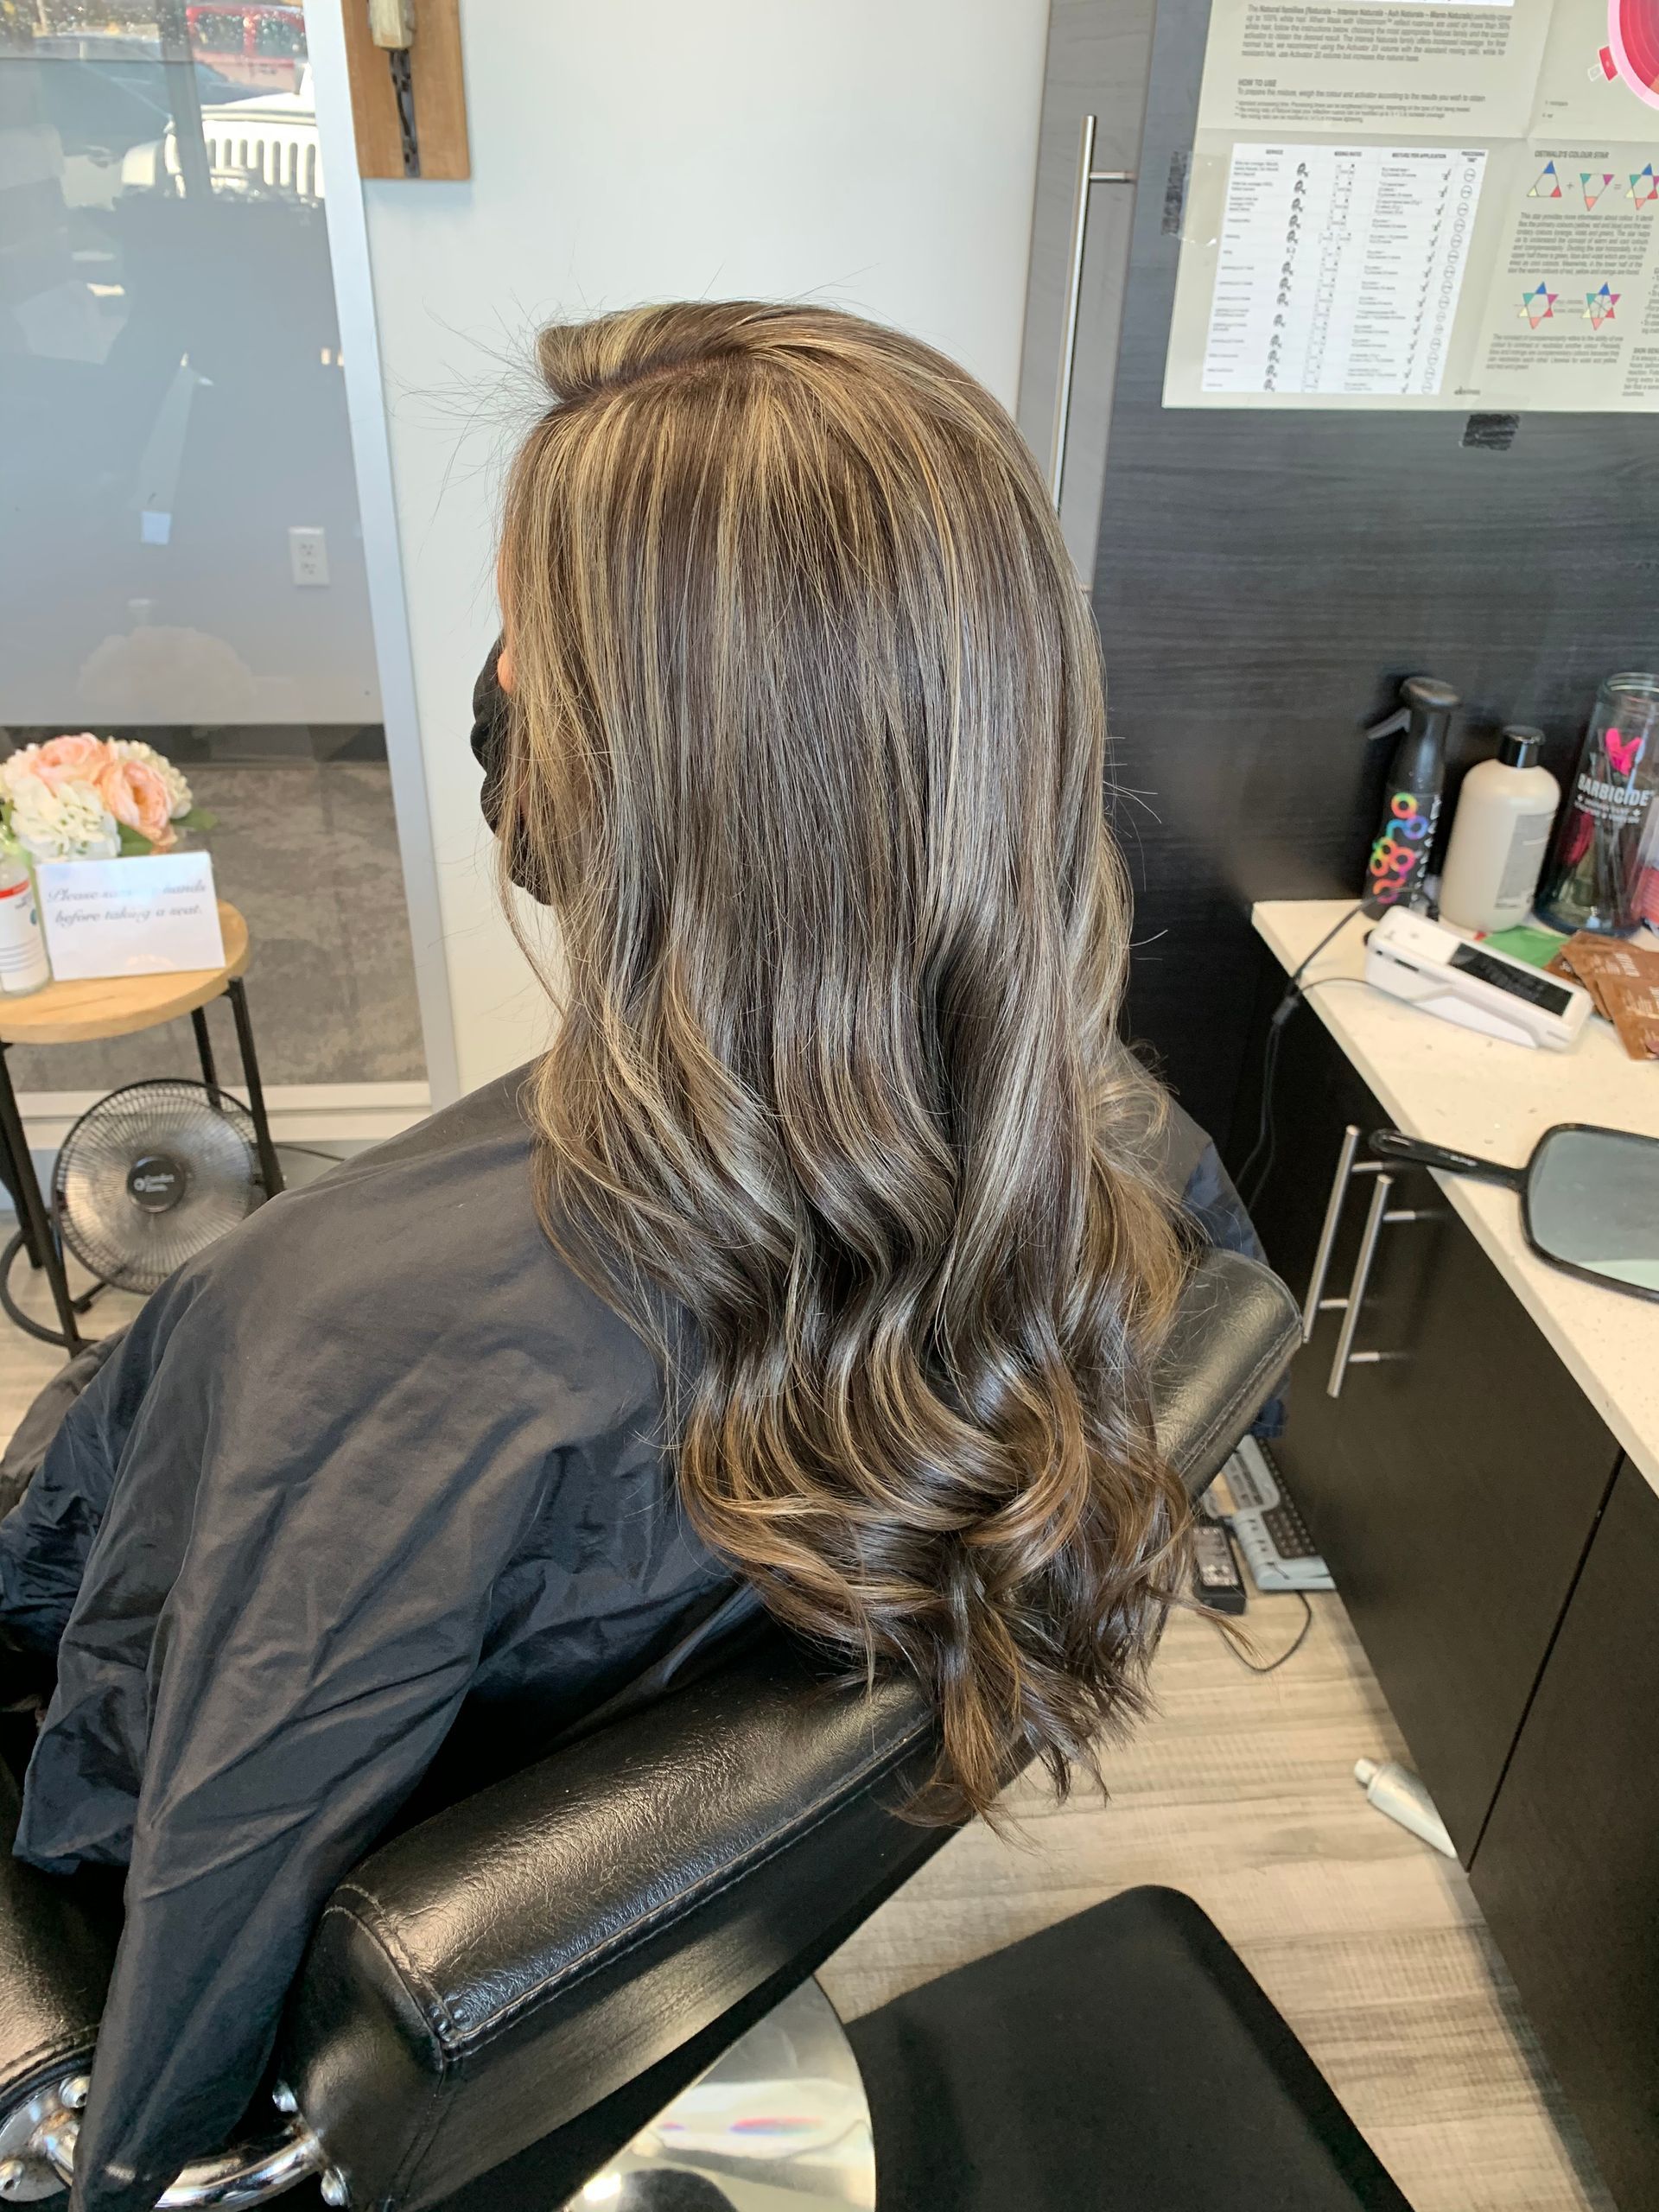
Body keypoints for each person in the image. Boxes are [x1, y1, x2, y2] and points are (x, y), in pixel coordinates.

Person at [0, 302, 1251, 2212]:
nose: (494, 691)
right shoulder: (1114, 1152)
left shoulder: (337, 1334)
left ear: (628, 764)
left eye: (527, 647)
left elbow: (181, 1936)